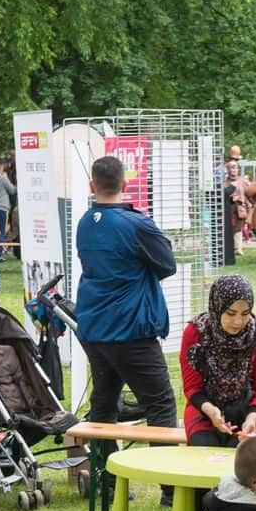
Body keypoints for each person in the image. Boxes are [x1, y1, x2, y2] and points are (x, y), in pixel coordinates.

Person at [74, 154, 178, 448]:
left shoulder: (85, 223)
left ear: (91, 185)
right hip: (130, 328)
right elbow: (167, 264)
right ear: (125, 182)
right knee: (160, 404)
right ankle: (170, 491)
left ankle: (104, 482)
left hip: (95, 327)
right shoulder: (136, 224)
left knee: (104, 405)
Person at [179, 274, 256, 447]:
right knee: (203, 449)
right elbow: (192, 387)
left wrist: (253, 417)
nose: (238, 321)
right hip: (205, 409)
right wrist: (211, 411)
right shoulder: (196, 332)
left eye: (245, 313)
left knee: (242, 453)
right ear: (217, 307)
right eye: (230, 313)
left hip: (249, 408)